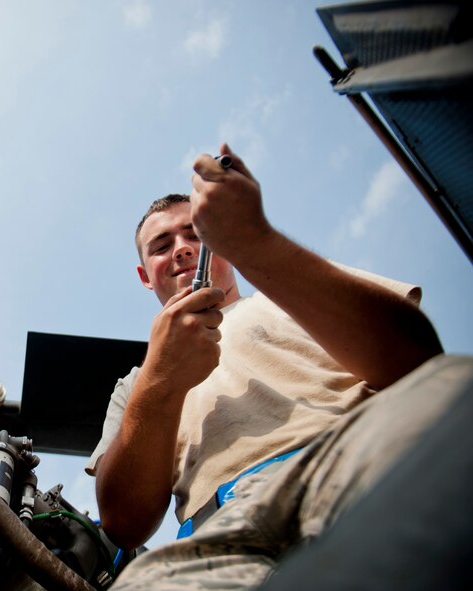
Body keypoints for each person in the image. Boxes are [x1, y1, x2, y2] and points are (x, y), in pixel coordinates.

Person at [86, 144, 447, 588]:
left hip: (351, 468)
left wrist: (257, 242)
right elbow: (123, 522)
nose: (181, 250)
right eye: (161, 246)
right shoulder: (135, 384)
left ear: (222, 241)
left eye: (195, 234)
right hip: (219, 536)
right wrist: (160, 379)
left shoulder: (294, 292)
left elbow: (419, 363)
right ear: (145, 275)